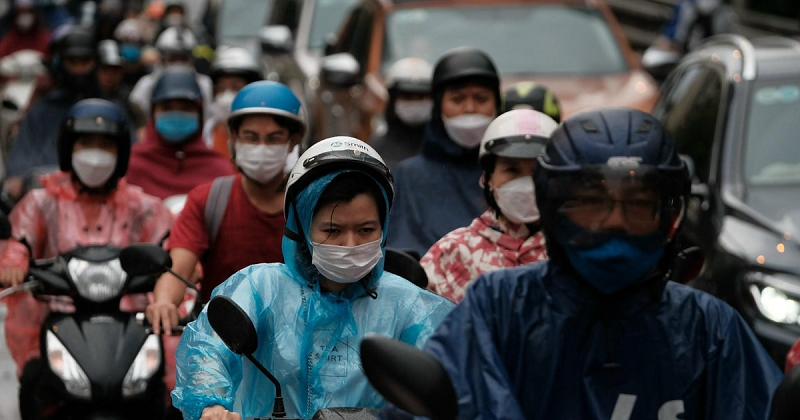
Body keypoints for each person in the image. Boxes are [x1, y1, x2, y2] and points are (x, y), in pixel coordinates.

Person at [385, 108, 783, 418]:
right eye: (592, 203)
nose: (615, 222)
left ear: (668, 216)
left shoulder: (710, 330)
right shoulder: (499, 308)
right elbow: (435, 399)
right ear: (555, 210)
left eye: (638, 204)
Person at [171, 137, 454, 419]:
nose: (350, 244)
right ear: (301, 228)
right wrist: (211, 406)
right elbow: (208, 348)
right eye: (332, 231)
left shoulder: (408, 305)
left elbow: (450, 376)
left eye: (366, 230)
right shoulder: (261, 287)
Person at [0, 99, 173, 419]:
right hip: (54, 321)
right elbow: (19, 240)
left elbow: (172, 249)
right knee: (36, 382)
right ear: (69, 149)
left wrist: (177, 278)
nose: (95, 154)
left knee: (165, 395)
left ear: (122, 153)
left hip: (132, 323)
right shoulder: (41, 202)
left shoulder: (143, 206)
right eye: (86, 144)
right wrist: (13, 262)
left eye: (105, 145)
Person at [146, 81, 304, 336]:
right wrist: (164, 302)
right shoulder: (208, 200)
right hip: (219, 343)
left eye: (273, 138)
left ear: (293, 141)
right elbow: (178, 270)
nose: (261, 147)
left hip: (296, 341)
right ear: (234, 140)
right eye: (251, 137)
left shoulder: (307, 205)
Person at [421, 109, 557, 303]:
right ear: (487, 179)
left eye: (537, 171)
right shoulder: (453, 252)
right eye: (512, 170)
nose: (527, 183)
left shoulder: (572, 250)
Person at [386, 47, 500, 257]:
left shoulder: (510, 172)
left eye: (481, 99)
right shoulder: (410, 176)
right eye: (457, 99)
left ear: (497, 105)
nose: (469, 108)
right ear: (439, 106)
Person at [2, 26, 101, 199]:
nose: (79, 69)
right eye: (73, 62)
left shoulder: (108, 109)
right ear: (61, 63)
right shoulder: (43, 110)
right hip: (46, 199)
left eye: (85, 62)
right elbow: (18, 167)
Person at [126, 65, 235, 200]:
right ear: (153, 114)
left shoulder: (220, 172)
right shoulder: (131, 166)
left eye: (185, 108)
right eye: (167, 108)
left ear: (200, 115)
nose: (176, 114)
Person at [128, 26, 213, 118]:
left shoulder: (204, 84)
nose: (178, 64)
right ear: (162, 59)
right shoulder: (146, 84)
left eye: (183, 59)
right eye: (173, 58)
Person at [370, 57, 433, 169]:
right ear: (393, 99)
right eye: (407, 96)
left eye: (421, 96)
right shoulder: (375, 150)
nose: (415, 103)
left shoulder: (445, 149)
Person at [203, 46, 262, 157]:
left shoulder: (267, 138)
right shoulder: (204, 135)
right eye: (220, 89)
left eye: (235, 87)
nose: (226, 96)